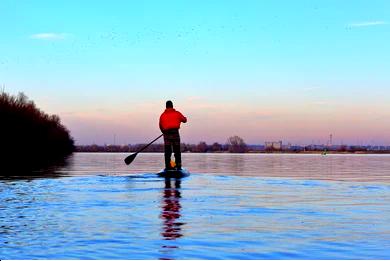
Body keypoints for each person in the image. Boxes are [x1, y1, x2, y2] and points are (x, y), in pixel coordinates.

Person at [159, 100, 187, 170]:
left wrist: (164, 132)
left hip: (166, 134)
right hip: (175, 133)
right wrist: (185, 118)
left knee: (167, 150)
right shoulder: (177, 113)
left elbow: (160, 125)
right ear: (172, 106)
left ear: (166, 106)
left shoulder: (162, 115)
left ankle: (168, 166)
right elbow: (184, 120)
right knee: (177, 150)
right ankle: (178, 165)